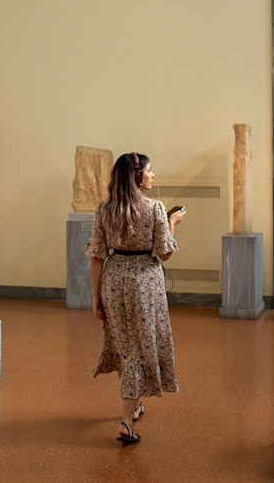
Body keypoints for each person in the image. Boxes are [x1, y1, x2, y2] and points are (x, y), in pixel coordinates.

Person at [84, 152, 185, 447]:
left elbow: (96, 257)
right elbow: (163, 252)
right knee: (138, 350)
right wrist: (173, 222)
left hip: (114, 281)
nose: (153, 176)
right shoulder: (155, 209)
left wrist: (95, 296)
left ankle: (135, 405)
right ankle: (126, 422)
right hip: (144, 282)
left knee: (125, 344)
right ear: (137, 177)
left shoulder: (105, 209)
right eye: (150, 171)